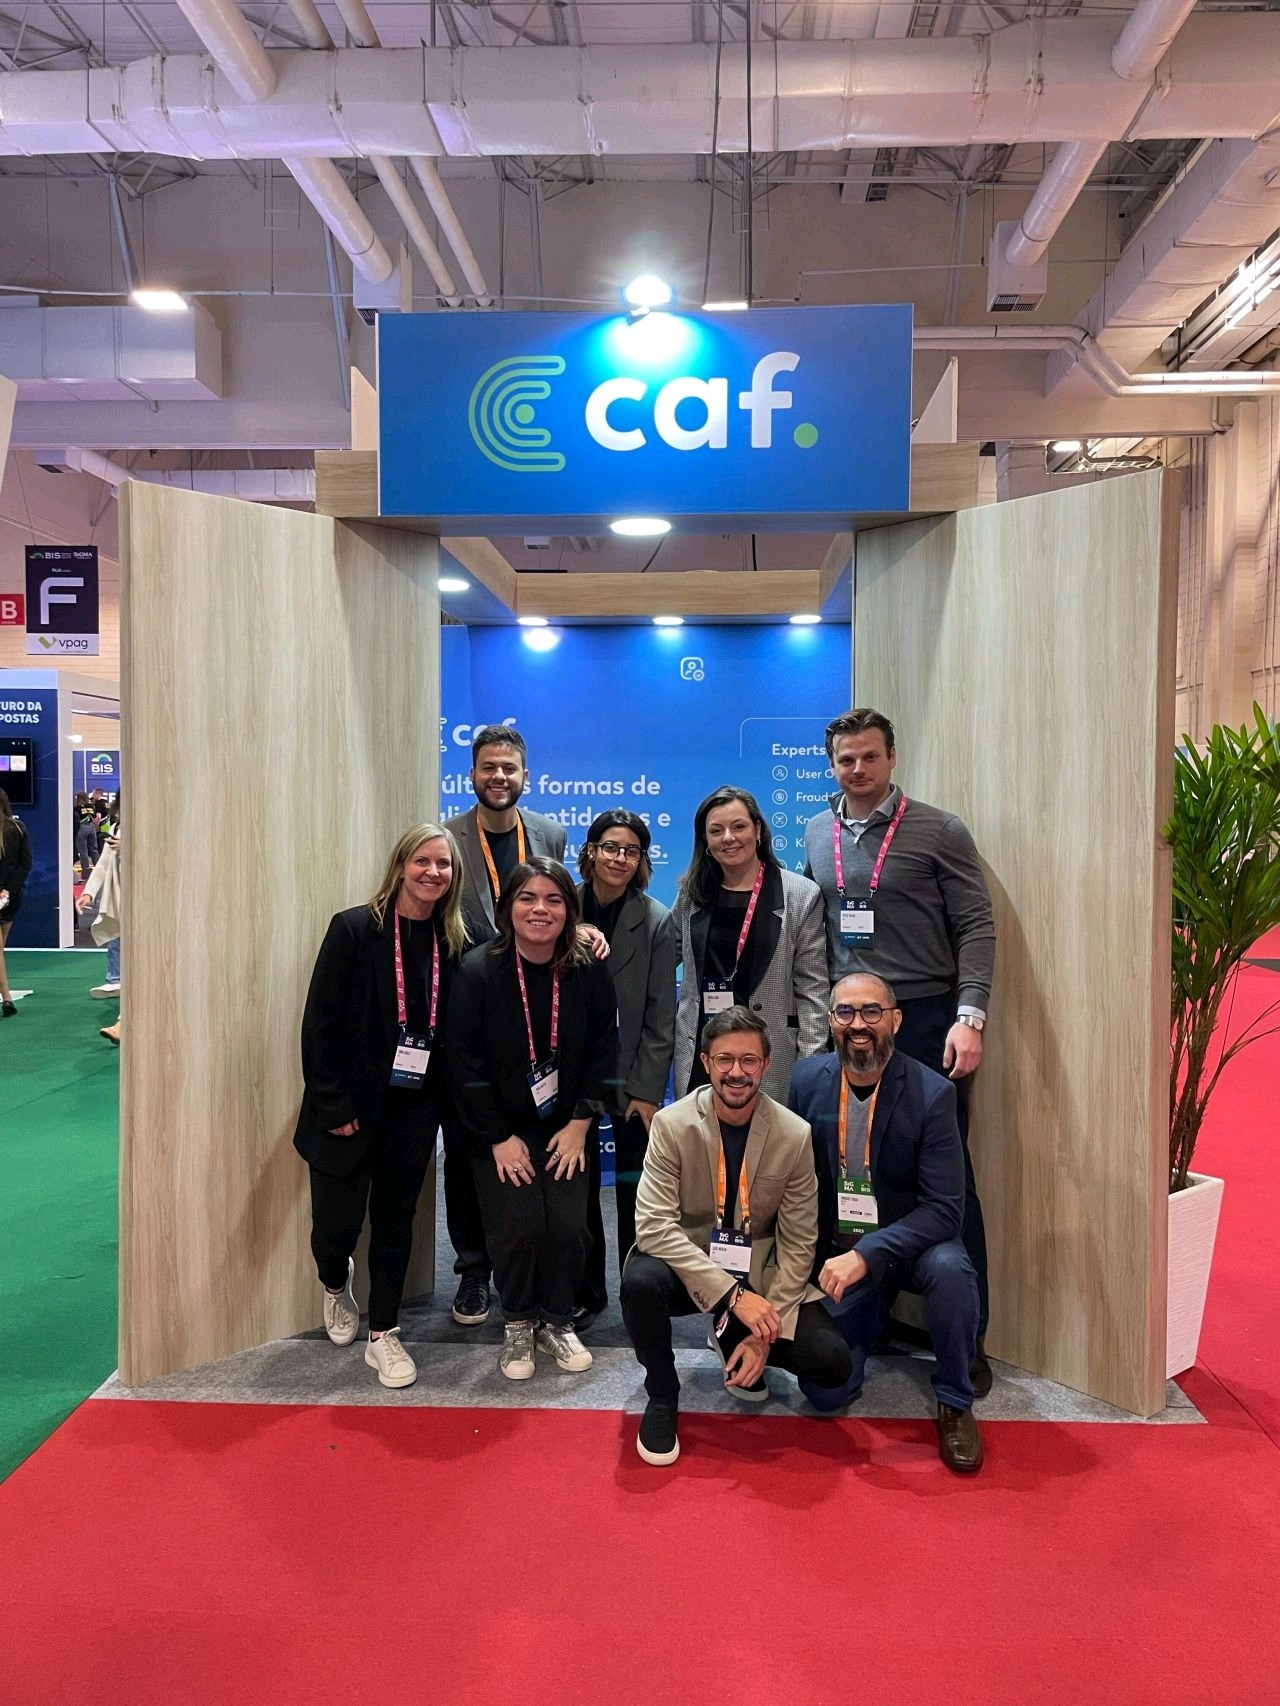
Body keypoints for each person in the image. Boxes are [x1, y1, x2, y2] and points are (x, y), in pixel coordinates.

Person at [803, 707, 996, 1395]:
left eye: (869, 757)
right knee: (850, 1163)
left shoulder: (939, 830)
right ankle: (868, 1311)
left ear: (891, 758)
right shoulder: (817, 830)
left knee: (949, 1179)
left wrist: (969, 1016)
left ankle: (967, 1339)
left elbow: (976, 925)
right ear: (832, 765)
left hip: (920, 1019)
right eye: (845, 759)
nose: (857, 769)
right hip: (849, 1020)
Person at [621, 1006, 852, 1466]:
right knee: (640, 1281)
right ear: (706, 1062)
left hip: (758, 1267)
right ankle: (662, 1394)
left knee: (832, 1362)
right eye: (724, 1059)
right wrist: (733, 1297)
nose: (736, 1072)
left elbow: (799, 1243)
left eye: (749, 1060)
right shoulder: (672, 1125)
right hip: (690, 1262)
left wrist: (763, 1337)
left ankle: (733, 1337)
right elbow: (653, 1226)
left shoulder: (794, 1134)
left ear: (766, 1064)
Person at [293, 822, 477, 1390]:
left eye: (444, 864)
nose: (433, 873)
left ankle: (385, 1334)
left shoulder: (458, 938)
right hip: (347, 1110)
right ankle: (334, 1281)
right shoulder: (354, 928)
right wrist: (333, 1105)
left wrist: (584, 932)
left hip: (415, 1109)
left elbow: (521, 945)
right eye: (423, 861)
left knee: (396, 1222)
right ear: (400, 866)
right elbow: (318, 1026)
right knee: (336, 1229)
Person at [787, 973, 983, 1474]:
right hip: (838, 1253)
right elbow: (793, 1183)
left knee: (952, 1268)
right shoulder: (805, 1081)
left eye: (871, 1011)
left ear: (895, 1020)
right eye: (845, 1012)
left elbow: (945, 1209)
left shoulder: (933, 1093)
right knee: (824, 1394)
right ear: (830, 1021)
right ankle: (871, 1316)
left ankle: (955, 1400)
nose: (858, 1024)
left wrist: (867, 1254)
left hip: (910, 1249)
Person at [446, 856, 617, 1382]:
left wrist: (582, 1122)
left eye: (553, 899)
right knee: (516, 1229)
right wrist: (498, 1137)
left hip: (567, 1127)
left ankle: (557, 1322)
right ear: (508, 909)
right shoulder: (478, 970)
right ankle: (519, 1322)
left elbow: (604, 1050)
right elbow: (464, 1063)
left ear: (569, 910)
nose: (540, 909)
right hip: (499, 1132)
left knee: (567, 1228)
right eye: (527, 898)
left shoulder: (587, 969)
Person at [442, 723, 568, 1326]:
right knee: (468, 1145)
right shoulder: (448, 837)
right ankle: (472, 1271)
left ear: (525, 775)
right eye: (488, 767)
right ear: (472, 774)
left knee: (528, 1144)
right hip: (470, 1005)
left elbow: (555, 910)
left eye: (509, 768)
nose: (499, 777)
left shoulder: (549, 834)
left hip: (534, 1014)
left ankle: (526, 1269)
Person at [574, 809, 677, 1319]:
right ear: (591, 850)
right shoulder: (560, 903)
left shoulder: (656, 919)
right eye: (611, 847)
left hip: (632, 1074)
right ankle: (586, 1294)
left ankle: (638, 1298)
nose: (620, 858)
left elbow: (661, 1015)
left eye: (631, 851)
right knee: (577, 1189)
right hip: (572, 1075)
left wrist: (647, 1091)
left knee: (636, 1193)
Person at [673, 785, 827, 1102]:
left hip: (768, 1055)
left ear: (757, 830)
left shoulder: (801, 894)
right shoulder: (693, 893)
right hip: (704, 1051)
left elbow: (813, 990)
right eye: (716, 831)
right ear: (705, 842)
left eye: (739, 826)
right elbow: (663, 950)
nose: (728, 837)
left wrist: (811, 1066)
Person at [76, 809, 123, 1044]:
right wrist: (88, 893)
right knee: (126, 955)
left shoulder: (154, 828)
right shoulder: (116, 829)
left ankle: (123, 1022)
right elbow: (104, 864)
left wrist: (131, 848)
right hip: (124, 904)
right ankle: (122, 1021)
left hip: (153, 906)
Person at [0, 789, 33, 1018]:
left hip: (7, 896)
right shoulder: (19, 828)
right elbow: (25, 864)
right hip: (12, 897)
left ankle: (7, 998)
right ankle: (6, 998)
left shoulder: (15, 829)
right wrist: (9, 890)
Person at [73, 792, 99, 879]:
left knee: (83, 851)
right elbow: (95, 817)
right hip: (91, 828)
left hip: (82, 828)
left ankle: (86, 872)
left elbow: (76, 819)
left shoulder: (76, 808)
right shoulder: (91, 806)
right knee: (94, 850)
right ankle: (99, 869)